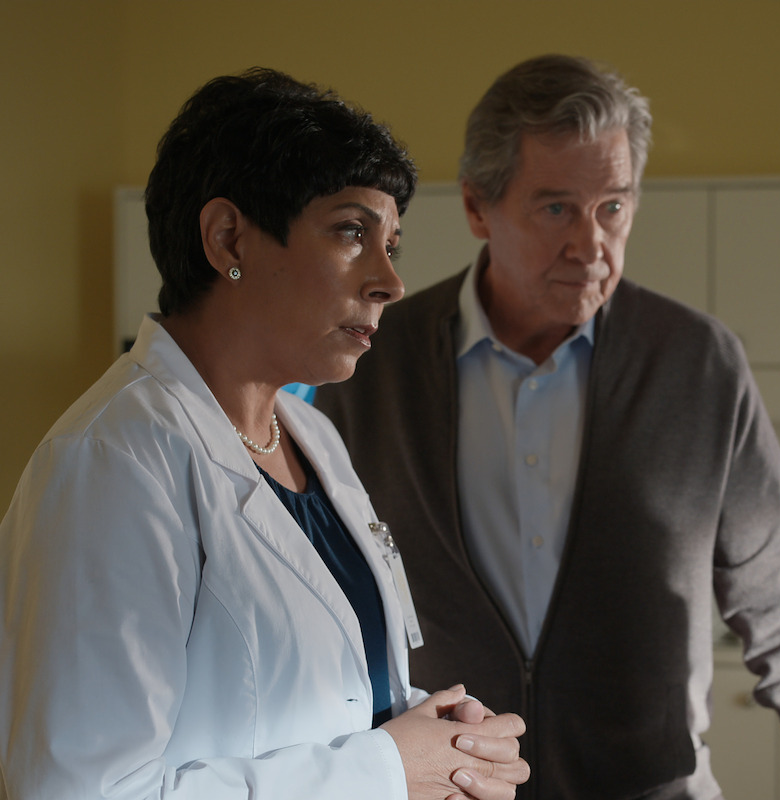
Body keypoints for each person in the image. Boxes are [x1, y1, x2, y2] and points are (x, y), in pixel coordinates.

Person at [315, 54, 780, 799]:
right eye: (556, 209)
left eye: (613, 207)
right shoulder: (374, 365)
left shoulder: (696, 363)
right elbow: (320, 609)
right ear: (479, 207)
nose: (591, 245)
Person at [0, 68, 529, 800]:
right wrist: (387, 770)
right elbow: (82, 793)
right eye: (352, 232)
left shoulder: (311, 434)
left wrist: (442, 740)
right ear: (227, 238)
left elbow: (315, 700)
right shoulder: (113, 460)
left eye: (392, 245)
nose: (389, 282)